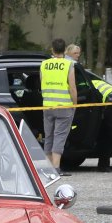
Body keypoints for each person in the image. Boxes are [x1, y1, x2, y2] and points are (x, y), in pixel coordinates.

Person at [77, 64, 112, 172]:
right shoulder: (96, 81)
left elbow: (89, 96)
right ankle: (103, 165)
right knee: (105, 134)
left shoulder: (86, 84)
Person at [38, 38, 77, 168]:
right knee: (60, 136)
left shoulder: (44, 64)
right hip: (64, 106)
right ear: (65, 50)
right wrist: (75, 104)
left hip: (48, 106)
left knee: (48, 136)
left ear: (52, 50)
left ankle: (49, 167)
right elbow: (72, 87)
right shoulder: (68, 64)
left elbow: (42, 82)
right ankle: (56, 167)